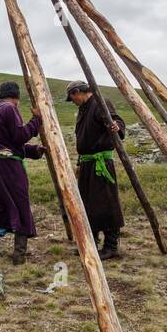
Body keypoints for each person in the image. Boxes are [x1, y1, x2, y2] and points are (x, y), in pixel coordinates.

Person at [0, 81, 45, 264]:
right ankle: (19, 256)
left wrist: (34, 151)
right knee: (20, 203)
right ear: (16, 97)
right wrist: (36, 120)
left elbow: (9, 145)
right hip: (8, 166)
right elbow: (20, 136)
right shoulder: (10, 108)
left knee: (0, 203)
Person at [67, 81, 126, 258]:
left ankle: (111, 246)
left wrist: (116, 126)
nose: (74, 102)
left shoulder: (101, 103)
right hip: (87, 163)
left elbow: (117, 121)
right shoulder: (84, 108)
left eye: (72, 98)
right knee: (87, 203)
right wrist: (79, 164)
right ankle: (91, 242)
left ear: (78, 92)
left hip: (100, 163)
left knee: (106, 202)